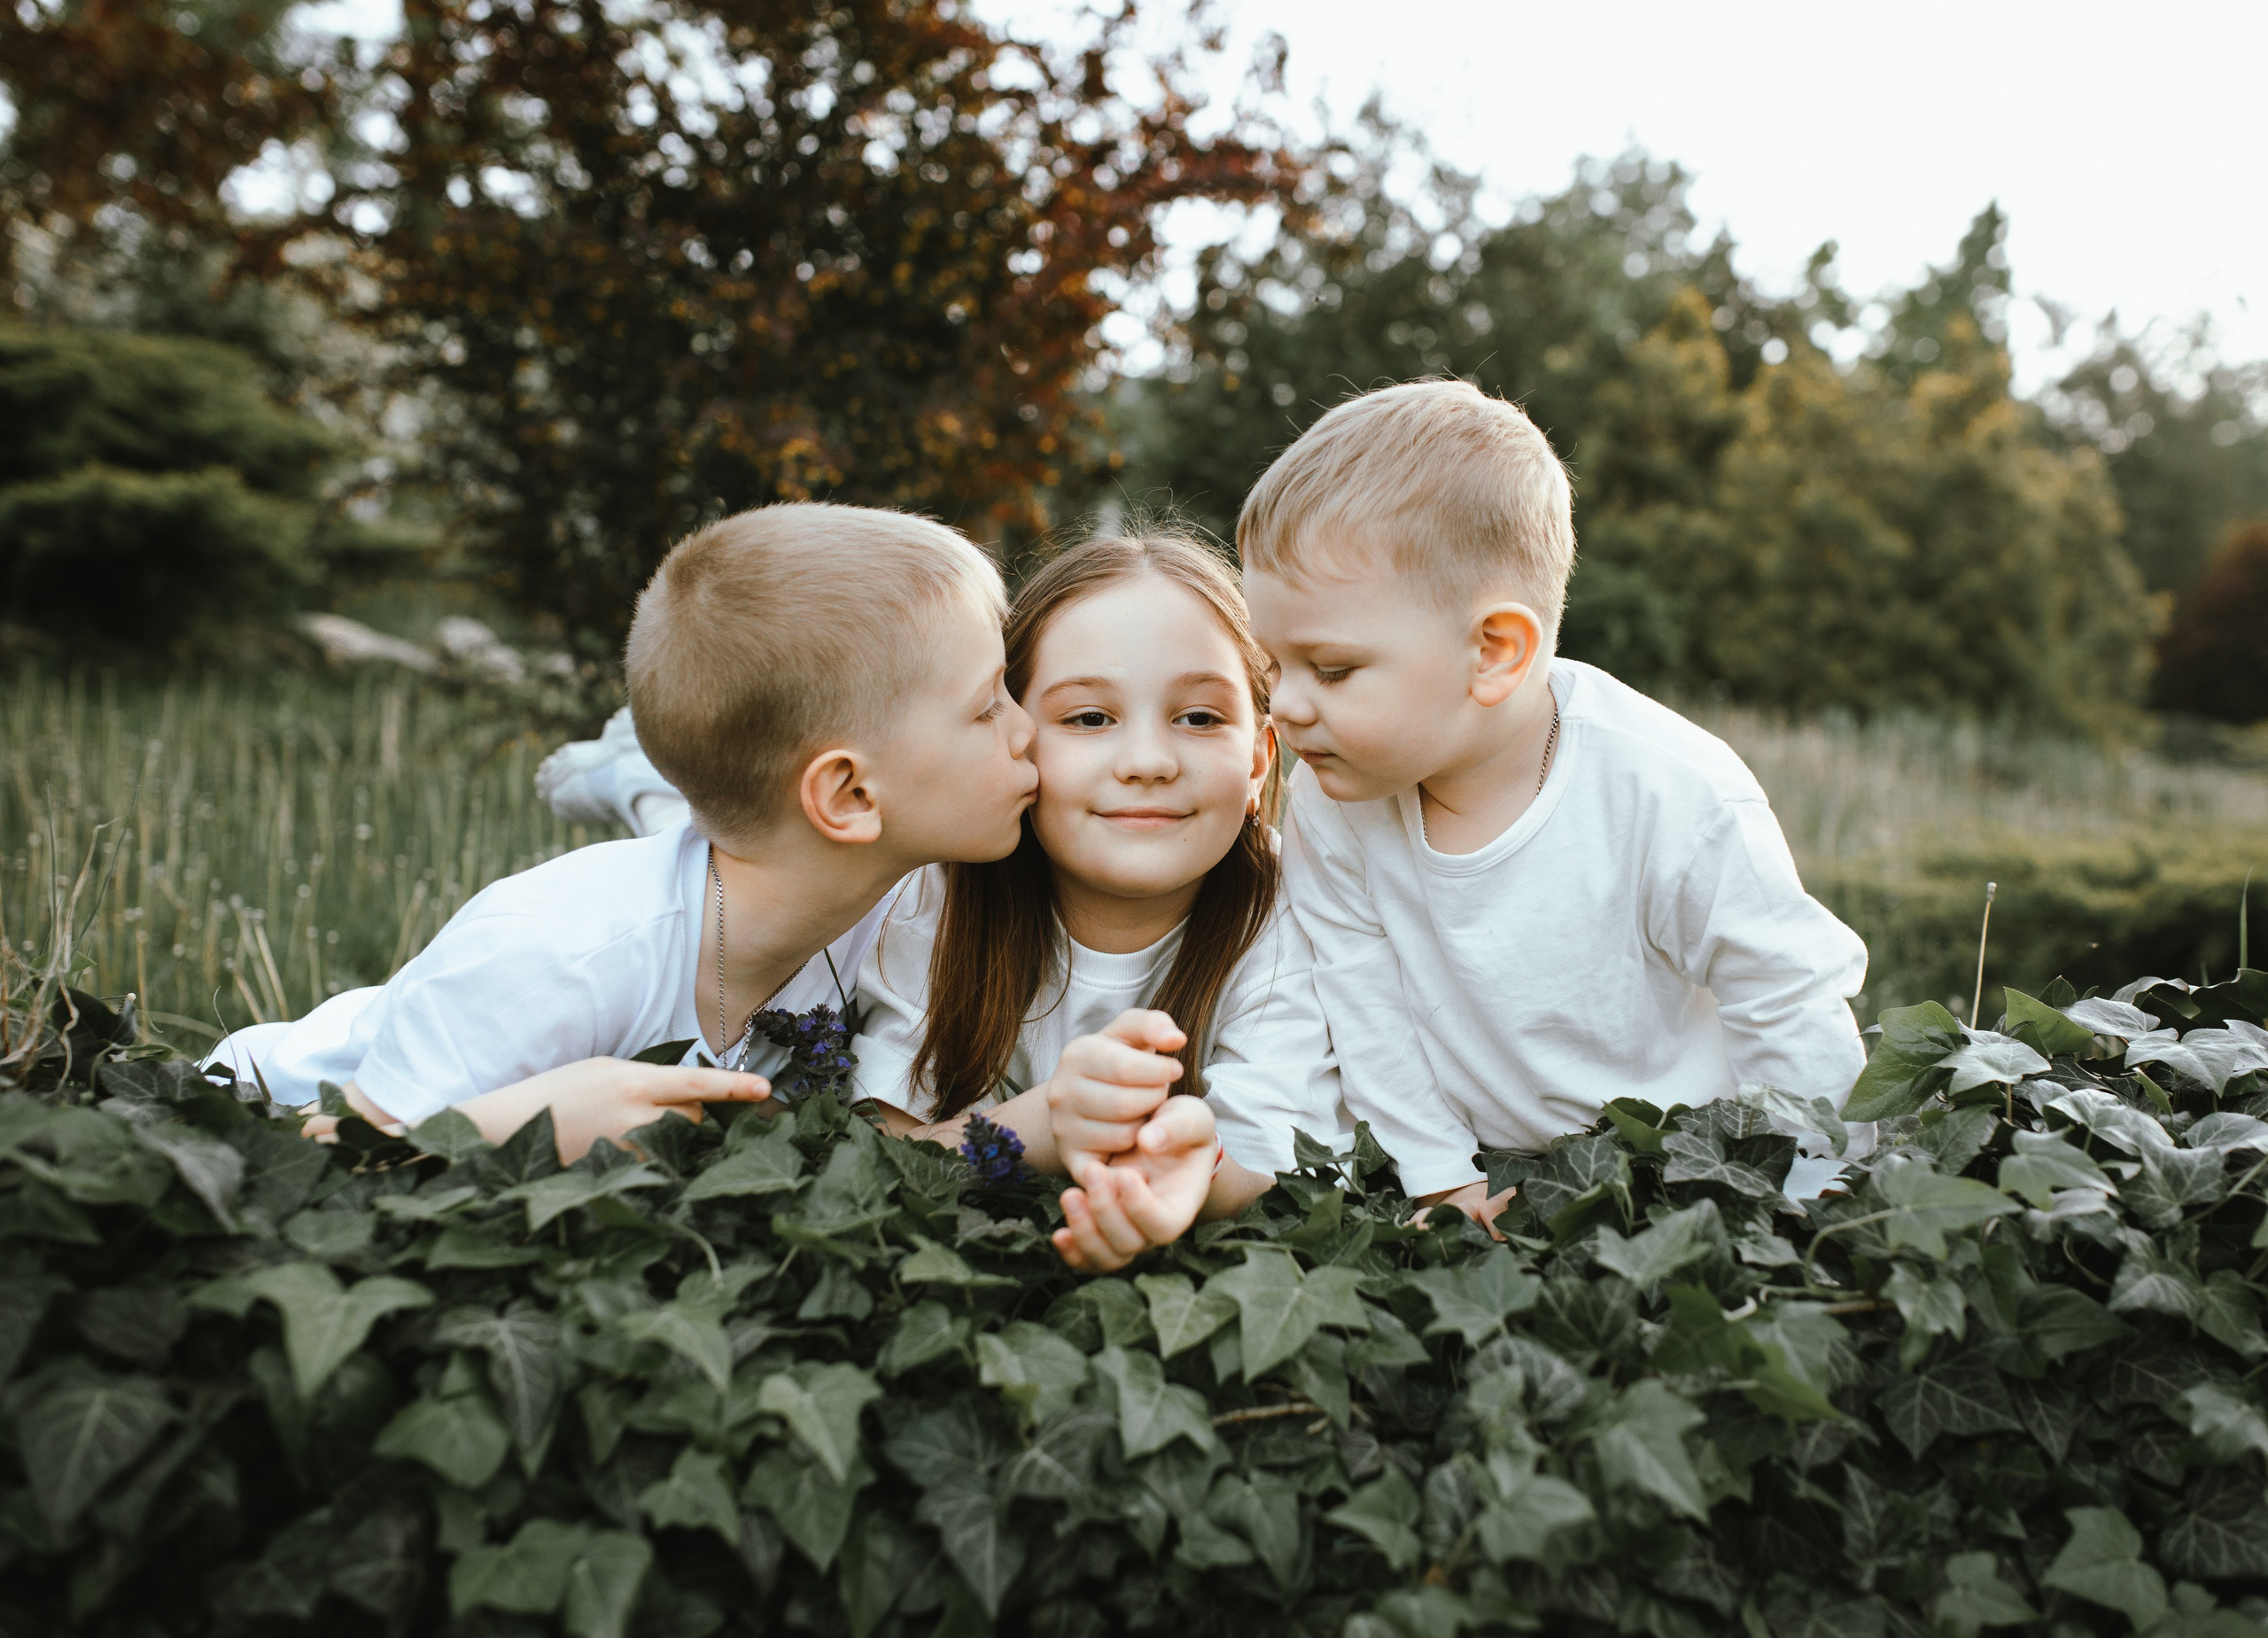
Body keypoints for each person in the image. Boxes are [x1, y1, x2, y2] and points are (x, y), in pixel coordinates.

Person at [206, 502, 1038, 1160]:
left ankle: (638, 782)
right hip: (255, 1109)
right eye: (987, 704)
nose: (1028, 727)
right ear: (850, 794)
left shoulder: (888, 893)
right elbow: (335, 1158)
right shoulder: (555, 955)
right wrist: (528, 1124)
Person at [1238, 379, 1869, 1226]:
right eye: (1274, 664)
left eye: (1333, 668)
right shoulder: (1332, 791)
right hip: (1488, 1166)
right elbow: (1363, 999)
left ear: (1495, 652)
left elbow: (1787, 997)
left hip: (1690, 1166)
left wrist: (1802, 1194)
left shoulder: (1669, 792)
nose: (1284, 706)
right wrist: (1441, 1177)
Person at [846, 532, 1348, 1271]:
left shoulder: (1286, 909)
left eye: (1200, 717)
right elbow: (880, 1151)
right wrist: (1044, 1125)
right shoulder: (940, 896)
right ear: (1016, 742)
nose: (1148, 762)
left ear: (1259, 760)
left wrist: (1185, 1174)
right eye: (1090, 718)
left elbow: (1273, 1165)